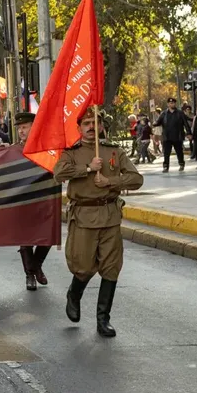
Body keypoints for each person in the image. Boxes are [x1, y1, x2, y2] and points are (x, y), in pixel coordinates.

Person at [53, 107, 143, 337]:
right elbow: (58, 174)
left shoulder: (114, 150)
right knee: (83, 267)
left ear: (102, 126)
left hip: (110, 215)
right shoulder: (71, 153)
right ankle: (74, 294)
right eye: (86, 123)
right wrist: (87, 168)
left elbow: (136, 179)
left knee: (111, 268)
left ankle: (103, 320)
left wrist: (111, 182)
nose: (92, 127)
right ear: (79, 128)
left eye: (95, 123)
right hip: (84, 216)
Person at [13, 113, 52, 291]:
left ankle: (36, 265)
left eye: (25, 127)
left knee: (48, 236)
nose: (21, 131)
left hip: (44, 198)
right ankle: (30, 274)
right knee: (26, 238)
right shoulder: (14, 150)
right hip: (22, 200)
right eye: (19, 128)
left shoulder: (46, 148)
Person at [153, 97, 192, 172]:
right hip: (167, 136)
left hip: (177, 136)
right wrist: (154, 124)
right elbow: (158, 122)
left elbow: (186, 124)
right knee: (166, 153)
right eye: (171, 103)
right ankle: (165, 167)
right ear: (168, 104)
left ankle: (181, 164)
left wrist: (189, 133)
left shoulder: (180, 113)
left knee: (179, 152)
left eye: (173, 103)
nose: (172, 104)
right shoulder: (164, 113)